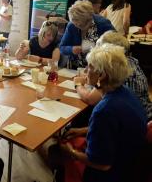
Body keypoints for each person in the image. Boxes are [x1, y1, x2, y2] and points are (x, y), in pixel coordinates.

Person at [58, 44, 147, 182]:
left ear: (102, 75)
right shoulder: (125, 92)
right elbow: (117, 129)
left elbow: (102, 164)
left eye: (90, 67)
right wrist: (83, 130)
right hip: (132, 159)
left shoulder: (104, 110)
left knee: (58, 153)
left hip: (114, 173)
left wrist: (71, 152)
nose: (86, 70)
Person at [74, 31, 152, 120]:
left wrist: (78, 85)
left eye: (100, 49)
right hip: (139, 118)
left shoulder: (115, 71)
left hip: (137, 123)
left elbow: (90, 99)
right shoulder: (130, 61)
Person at [59, 0, 114, 69]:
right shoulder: (72, 25)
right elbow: (62, 47)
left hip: (97, 68)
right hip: (75, 68)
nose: (78, 26)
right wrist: (71, 49)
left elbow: (116, 45)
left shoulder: (103, 24)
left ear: (90, 18)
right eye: (76, 24)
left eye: (82, 24)